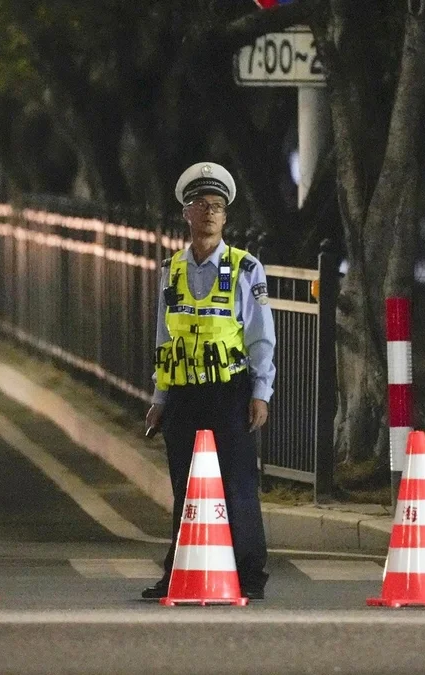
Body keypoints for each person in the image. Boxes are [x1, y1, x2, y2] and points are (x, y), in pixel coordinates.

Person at [142, 162, 276, 601]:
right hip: (183, 393)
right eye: (201, 205)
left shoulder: (245, 268)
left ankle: (249, 574)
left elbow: (260, 336)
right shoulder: (172, 269)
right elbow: (165, 337)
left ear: (225, 217)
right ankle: (178, 571)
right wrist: (160, 397)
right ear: (187, 213)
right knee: (184, 486)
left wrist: (260, 392)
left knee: (237, 483)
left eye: (217, 207)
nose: (209, 213)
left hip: (229, 390)